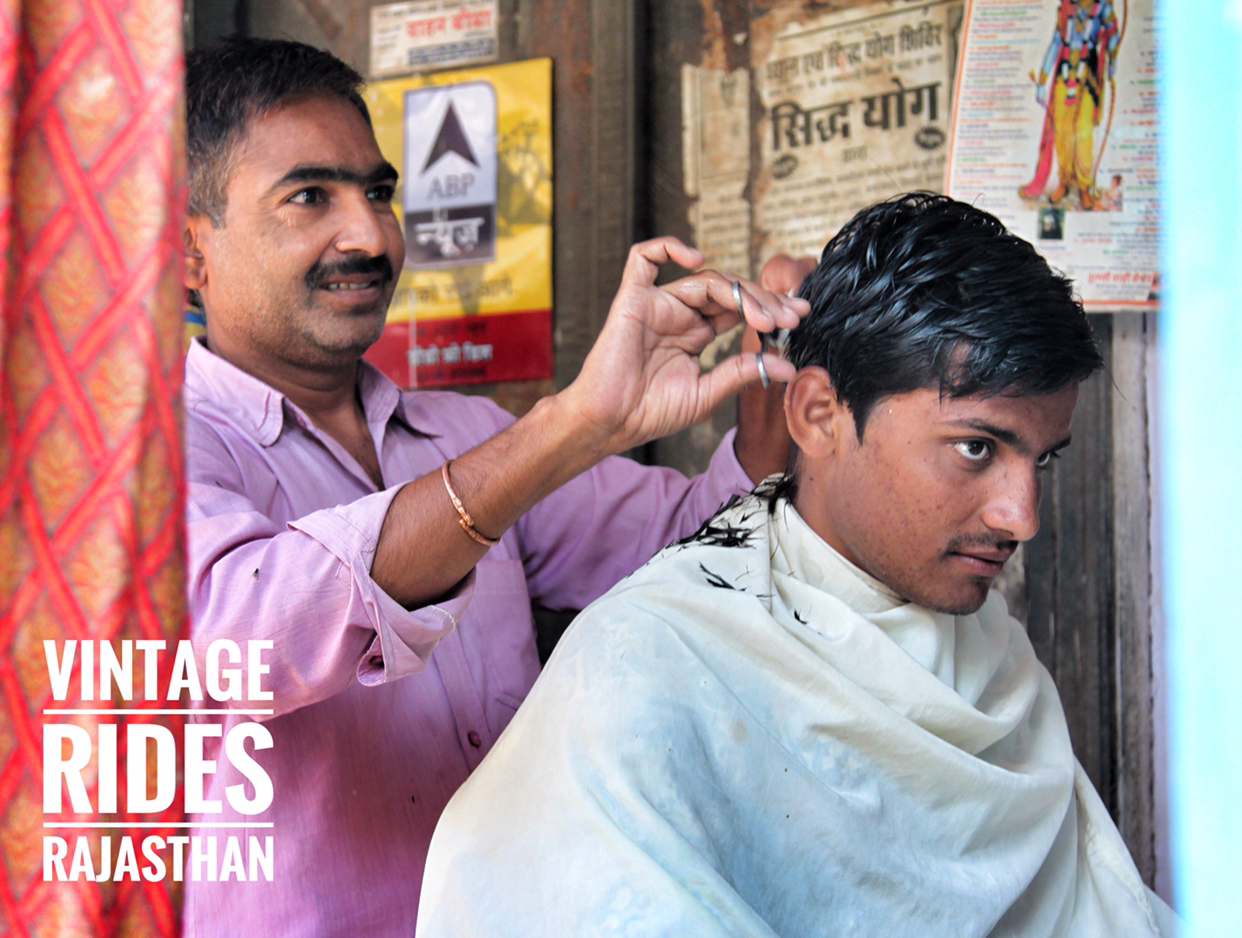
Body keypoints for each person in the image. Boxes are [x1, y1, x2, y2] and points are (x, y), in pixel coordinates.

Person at [416, 193, 1178, 937]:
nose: (1022, 516)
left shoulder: (991, 656)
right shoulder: (647, 668)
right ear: (818, 415)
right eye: (976, 448)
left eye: (1041, 460)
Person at [181, 37, 806, 936]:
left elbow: (698, 554)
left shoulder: (465, 436)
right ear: (188, 250)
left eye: (378, 193)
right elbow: (246, 634)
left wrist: (775, 379)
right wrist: (575, 422)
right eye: (310, 196)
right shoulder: (149, 458)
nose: (371, 236)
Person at [1019, 0, 1121, 209]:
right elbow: (1056, 43)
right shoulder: (1067, 7)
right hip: (1064, 75)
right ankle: (1064, 182)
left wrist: (1112, 55)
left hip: (1087, 77)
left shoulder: (1103, 7)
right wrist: (1042, 81)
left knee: (1083, 132)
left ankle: (1084, 187)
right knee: (1063, 132)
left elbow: (1113, 34)